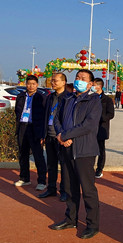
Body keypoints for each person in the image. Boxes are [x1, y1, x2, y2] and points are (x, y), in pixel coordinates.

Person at [50, 69, 102, 239]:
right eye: (77, 77)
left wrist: (66, 135)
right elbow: (57, 119)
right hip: (66, 148)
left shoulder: (93, 101)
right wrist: (61, 136)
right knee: (69, 187)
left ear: (90, 84)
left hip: (84, 151)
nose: (79, 80)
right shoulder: (67, 98)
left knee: (87, 189)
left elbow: (88, 125)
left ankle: (92, 224)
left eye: (83, 78)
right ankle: (70, 219)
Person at [38, 72, 71, 201]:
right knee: (51, 165)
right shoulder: (50, 97)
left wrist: (66, 135)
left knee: (64, 165)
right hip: (49, 136)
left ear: (63, 82)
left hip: (61, 137)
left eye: (55, 81)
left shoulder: (69, 97)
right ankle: (51, 188)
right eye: (52, 80)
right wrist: (43, 134)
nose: (53, 83)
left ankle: (64, 191)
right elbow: (45, 116)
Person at [14, 75, 47, 190]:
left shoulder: (41, 97)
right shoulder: (20, 96)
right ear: (26, 84)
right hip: (23, 126)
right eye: (29, 84)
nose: (31, 86)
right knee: (23, 154)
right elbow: (17, 111)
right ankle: (24, 178)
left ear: (37, 85)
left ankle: (42, 181)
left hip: (35, 128)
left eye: (33, 84)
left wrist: (43, 133)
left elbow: (44, 115)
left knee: (38, 155)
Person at [93, 78, 115, 179]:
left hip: (101, 128)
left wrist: (100, 118)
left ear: (99, 86)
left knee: (101, 150)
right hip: (90, 128)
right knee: (90, 149)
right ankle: (89, 167)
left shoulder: (107, 100)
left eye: (94, 85)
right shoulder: (90, 98)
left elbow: (111, 114)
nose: (92, 87)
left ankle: (99, 169)